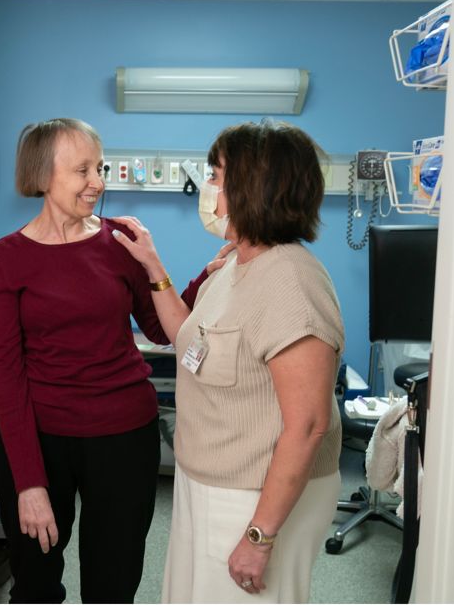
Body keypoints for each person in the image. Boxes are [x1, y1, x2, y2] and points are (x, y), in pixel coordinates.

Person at [112, 119, 344, 603]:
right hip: (209, 483)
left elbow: (308, 426)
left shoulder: (291, 284)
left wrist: (260, 536)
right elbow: (187, 339)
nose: (209, 188)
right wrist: (154, 267)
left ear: (253, 188)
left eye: (217, 176)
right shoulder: (238, 261)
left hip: (255, 498)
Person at [0, 118, 210, 604]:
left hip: (124, 434)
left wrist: (179, 270)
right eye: (82, 170)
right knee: (35, 585)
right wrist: (29, 483)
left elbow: (161, 329)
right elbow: (6, 374)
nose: (98, 181)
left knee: (113, 585)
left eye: (100, 167)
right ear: (44, 177)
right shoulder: (6, 258)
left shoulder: (122, 240)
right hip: (40, 439)